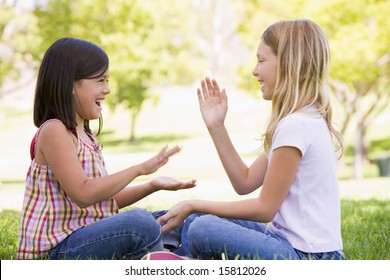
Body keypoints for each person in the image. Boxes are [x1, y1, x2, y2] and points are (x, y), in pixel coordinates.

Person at [157, 19, 345, 260]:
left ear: (288, 63)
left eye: (261, 60)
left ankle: (173, 257)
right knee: (197, 221)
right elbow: (244, 183)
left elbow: (265, 209)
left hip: (307, 258)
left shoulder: (296, 125)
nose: (255, 70)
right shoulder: (303, 119)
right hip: (290, 245)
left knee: (203, 229)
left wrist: (194, 203)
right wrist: (216, 126)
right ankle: (172, 255)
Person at [16, 37, 196, 260]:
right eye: (100, 80)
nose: (108, 89)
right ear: (71, 84)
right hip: (57, 249)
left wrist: (152, 185)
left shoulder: (85, 133)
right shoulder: (55, 131)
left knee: (172, 218)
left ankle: (169, 256)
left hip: (85, 236)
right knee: (139, 223)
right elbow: (83, 194)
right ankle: (164, 259)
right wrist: (139, 169)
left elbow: (104, 201)